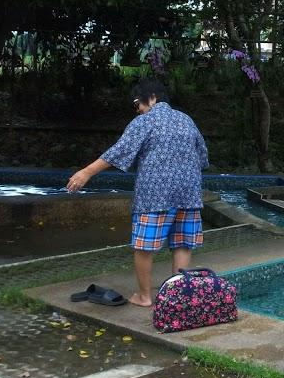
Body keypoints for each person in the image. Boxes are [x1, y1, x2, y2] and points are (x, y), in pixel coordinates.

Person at [67, 79, 209, 307]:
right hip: (189, 192)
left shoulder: (146, 121)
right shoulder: (186, 120)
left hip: (156, 193)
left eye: (137, 103)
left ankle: (144, 296)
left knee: (144, 246)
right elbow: (202, 157)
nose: (137, 109)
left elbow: (119, 151)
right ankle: (177, 296)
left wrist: (86, 172)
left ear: (151, 97)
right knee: (183, 243)